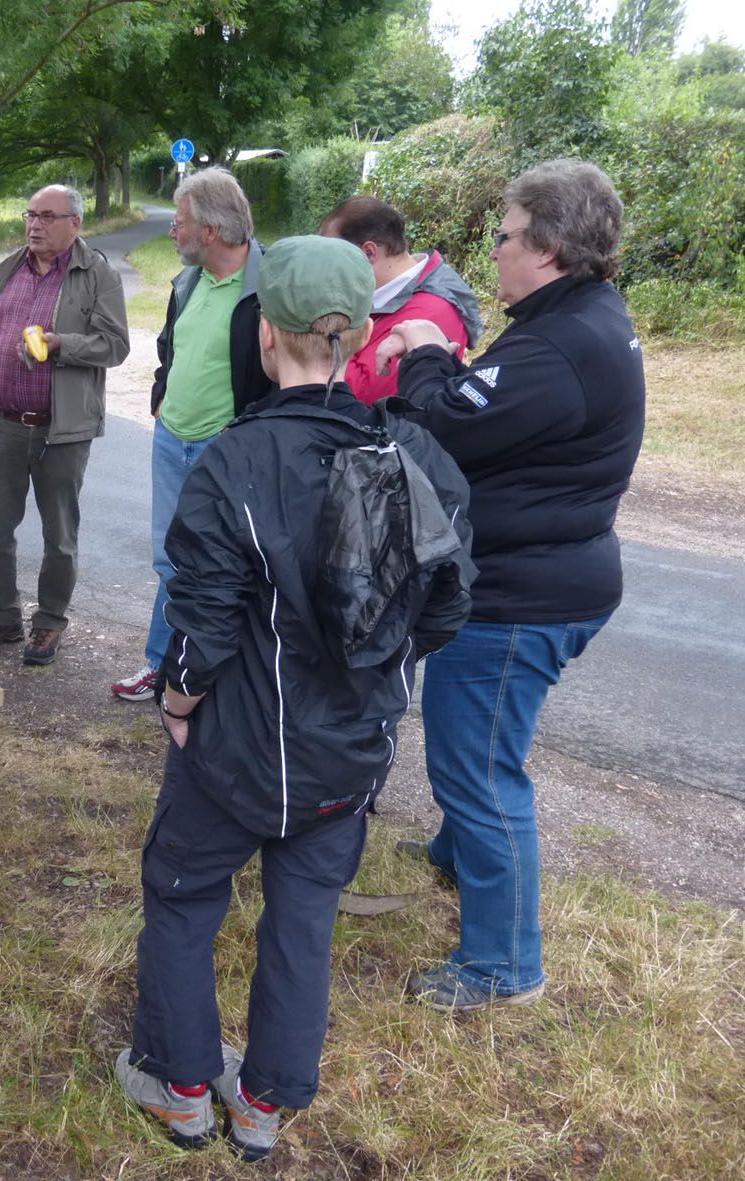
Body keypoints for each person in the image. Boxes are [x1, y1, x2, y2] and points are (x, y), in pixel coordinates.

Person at [114, 236, 473, 1159]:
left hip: (234, 748)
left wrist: (178, 703)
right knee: (303, 920)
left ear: (265, 335)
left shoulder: (235, 460)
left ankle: (180, 1083)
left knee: (183, 895)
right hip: (346, 753)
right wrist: (378, 670)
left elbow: (200, 620)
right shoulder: (417, 452)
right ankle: (263, 1104)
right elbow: (446, 604)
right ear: (361, 335)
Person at [377, 159, 646, 1012]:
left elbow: (443, 423)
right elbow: (488, 410)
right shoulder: (574, 318)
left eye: (504, 234)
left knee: (479, 769)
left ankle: (503, 966)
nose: (492, 249)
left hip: (519, 596)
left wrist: (424, 353)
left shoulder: (560, 345)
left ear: (549, 247)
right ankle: (459, 855)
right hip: (547, 574)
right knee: (484, 748)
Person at [0, 185, 130, 666]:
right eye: (30, 215)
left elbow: (116, 345)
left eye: (47, 216)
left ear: (75, 223)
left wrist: (63, 344)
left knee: (59, 536)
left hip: (61, 430)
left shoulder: (97, 275)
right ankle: (3, 615)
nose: (35, 225)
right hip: (2, 423)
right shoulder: (5, 272)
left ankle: (50, 621)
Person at [110, 168, 270, 702]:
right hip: (170, 439)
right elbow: (170, 346)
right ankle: (162, 666)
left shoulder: (268, 286)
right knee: (170, 559)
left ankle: (209, 679)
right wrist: (161, 395)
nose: (172, 231)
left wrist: (241, 429)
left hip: (223, 450)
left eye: (180, 222)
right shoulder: (189, 281)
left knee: (221, 565)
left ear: (211, 230)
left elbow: (285, 370)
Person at [318, 195, 483, 403]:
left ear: (368, 253)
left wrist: (312, 334)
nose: (328, 269)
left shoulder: (431, 311)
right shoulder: (387, 292)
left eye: (333, 257)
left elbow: (359, 394)